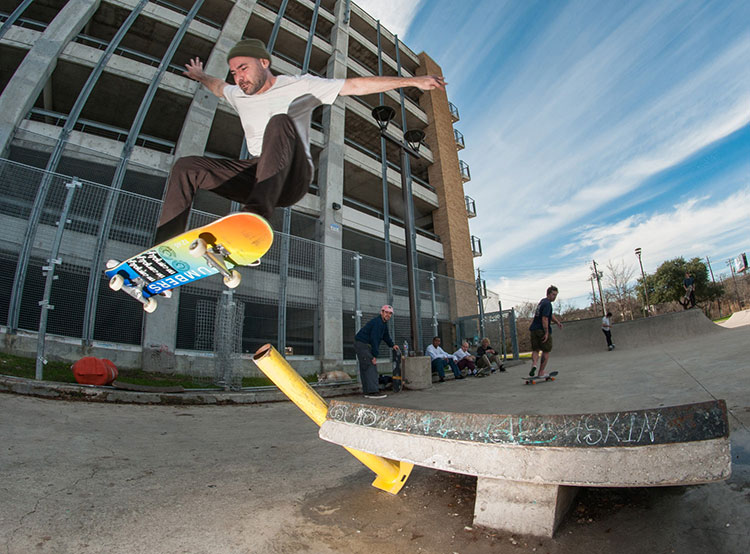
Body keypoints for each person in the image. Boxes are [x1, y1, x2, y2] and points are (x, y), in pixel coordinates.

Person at [154, 39, 447, 243]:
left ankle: (252, 222)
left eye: (243, 68)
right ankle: (165, 249)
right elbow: (218, 86)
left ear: (264, 63)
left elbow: (355, 85)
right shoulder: (237, 94)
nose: (238, 77)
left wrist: (412, 82)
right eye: (234, 72)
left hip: (293, 175)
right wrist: (200, 75)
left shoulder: (300, 85)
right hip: (257, 175)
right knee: (187, 167)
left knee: (280, 122)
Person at [354, 305, 400, 399]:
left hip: (362, 344)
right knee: (370, 365)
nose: (388, 315)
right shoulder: (378, 323)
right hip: (362, 344)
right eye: (386, 312)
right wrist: (374, 356)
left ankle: (367, 391)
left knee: (366, 367)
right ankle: (373, 391)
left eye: (390, 313)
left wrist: (392, 345)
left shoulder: (383, 324)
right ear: (382, 312)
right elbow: (374, 339)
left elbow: (386, 336)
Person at [528, 286, 563, 378]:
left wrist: (557, 322)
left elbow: (550, 315)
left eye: (556, 295)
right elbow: (545, 318)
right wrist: (546, 332)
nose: (554, 297)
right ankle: (541, 372)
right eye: (553, 295)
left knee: (535, 349)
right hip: (541, 330)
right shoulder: (548, 304)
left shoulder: (542, 302)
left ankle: (534, 364)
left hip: (533, 329)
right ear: (548, 294)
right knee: (546, 350)